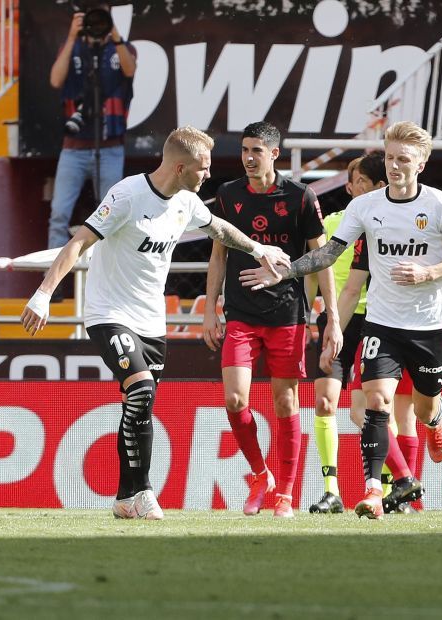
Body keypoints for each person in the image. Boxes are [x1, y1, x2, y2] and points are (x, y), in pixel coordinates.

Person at [21, 126, 290, 520]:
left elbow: (218, 228)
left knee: (138, 405)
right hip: (109, 313)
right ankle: (144, 490)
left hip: (151, 320)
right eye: (203, 169)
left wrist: (257, 247)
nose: (207, 176)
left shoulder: (186, 200)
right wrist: (43, 295)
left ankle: (124, 498)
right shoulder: (127, 196)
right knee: (141, 390)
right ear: (180, 167)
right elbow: (78, 242)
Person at [241, 121, 442, 519]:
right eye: (389, 158)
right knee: (375, 403)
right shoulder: (365, 206)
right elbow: (329, 253)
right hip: (382, 322)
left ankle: (436, 420)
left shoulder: (440, 205)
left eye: (404, 159)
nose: (395, 166)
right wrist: (285, 271)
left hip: (429, 324)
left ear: (421, 163)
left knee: (421, 409)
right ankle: (372, 490)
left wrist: (430, 272)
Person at [202, 121, 341, 519]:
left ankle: (286, 494)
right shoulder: (228, 195)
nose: (248, 157)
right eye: (245, 150)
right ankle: (260, 475)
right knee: (234, 398)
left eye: (256, 151)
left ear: (274, 154)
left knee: (285, 402)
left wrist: (331, 317)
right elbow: (218, 256)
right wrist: (211, 308)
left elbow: (324, 259)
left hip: (287, 315)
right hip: (241, 315)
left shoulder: (299, 197)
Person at [307, 153, 420, 515]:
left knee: (377, 411)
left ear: (376, 187)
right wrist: (313, 318)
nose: (350, 187)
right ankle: (332, 490)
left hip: (379, 323)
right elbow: (317, 268)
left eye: (358, 182)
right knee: (326, 402)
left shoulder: (393, 227)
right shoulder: (338, 226)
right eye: (350, 181)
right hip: (340, 321)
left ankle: (394, 487)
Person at [47, 3, 137, 253]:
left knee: (111, 215)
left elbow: (129, 69)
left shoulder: (121, 47)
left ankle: (106, 276)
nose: (97, 23)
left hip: (110, 147)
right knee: (58, 215)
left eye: (102, 18)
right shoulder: (72, 46)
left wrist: (115, 35)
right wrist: (72, 35)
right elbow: (55, 79)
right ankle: (51, 279)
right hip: (73, 148)